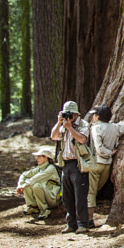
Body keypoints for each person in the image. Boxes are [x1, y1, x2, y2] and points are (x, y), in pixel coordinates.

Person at [50, 100, 92, 233]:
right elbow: (54, 136)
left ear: (76, 114)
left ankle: (82, 224)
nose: (68, 116)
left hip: (78, 164)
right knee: (67, 197)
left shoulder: (82, 124)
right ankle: (71, 223)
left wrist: (70, 128)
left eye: (70, 114)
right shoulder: (63, 125)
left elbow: (82, 139)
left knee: (80, 196)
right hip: (66, 164)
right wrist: (59, 123)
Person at [87, 105, 124, 227]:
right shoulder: (114, 127)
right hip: (107, 164)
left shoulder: (96, 128)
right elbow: (123, 126)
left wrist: (107, 152)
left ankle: (89, 220)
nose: (93, 117)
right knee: (98, 188)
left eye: (95, 114)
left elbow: (98, 148)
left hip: (96, 163)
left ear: (97, 116)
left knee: (91, 192)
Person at [16, 148, 61, 222]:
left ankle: (45, 210)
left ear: (45, 157)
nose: (37, 159)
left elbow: (35, 179)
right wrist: (19, 185)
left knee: (35, 185)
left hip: (53, 198)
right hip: (46, 195)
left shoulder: (51, 168)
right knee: (28, 183)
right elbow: (24, 175)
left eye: (39, 157)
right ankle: (33, 206)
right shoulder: (40, 168)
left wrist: (22, 186)